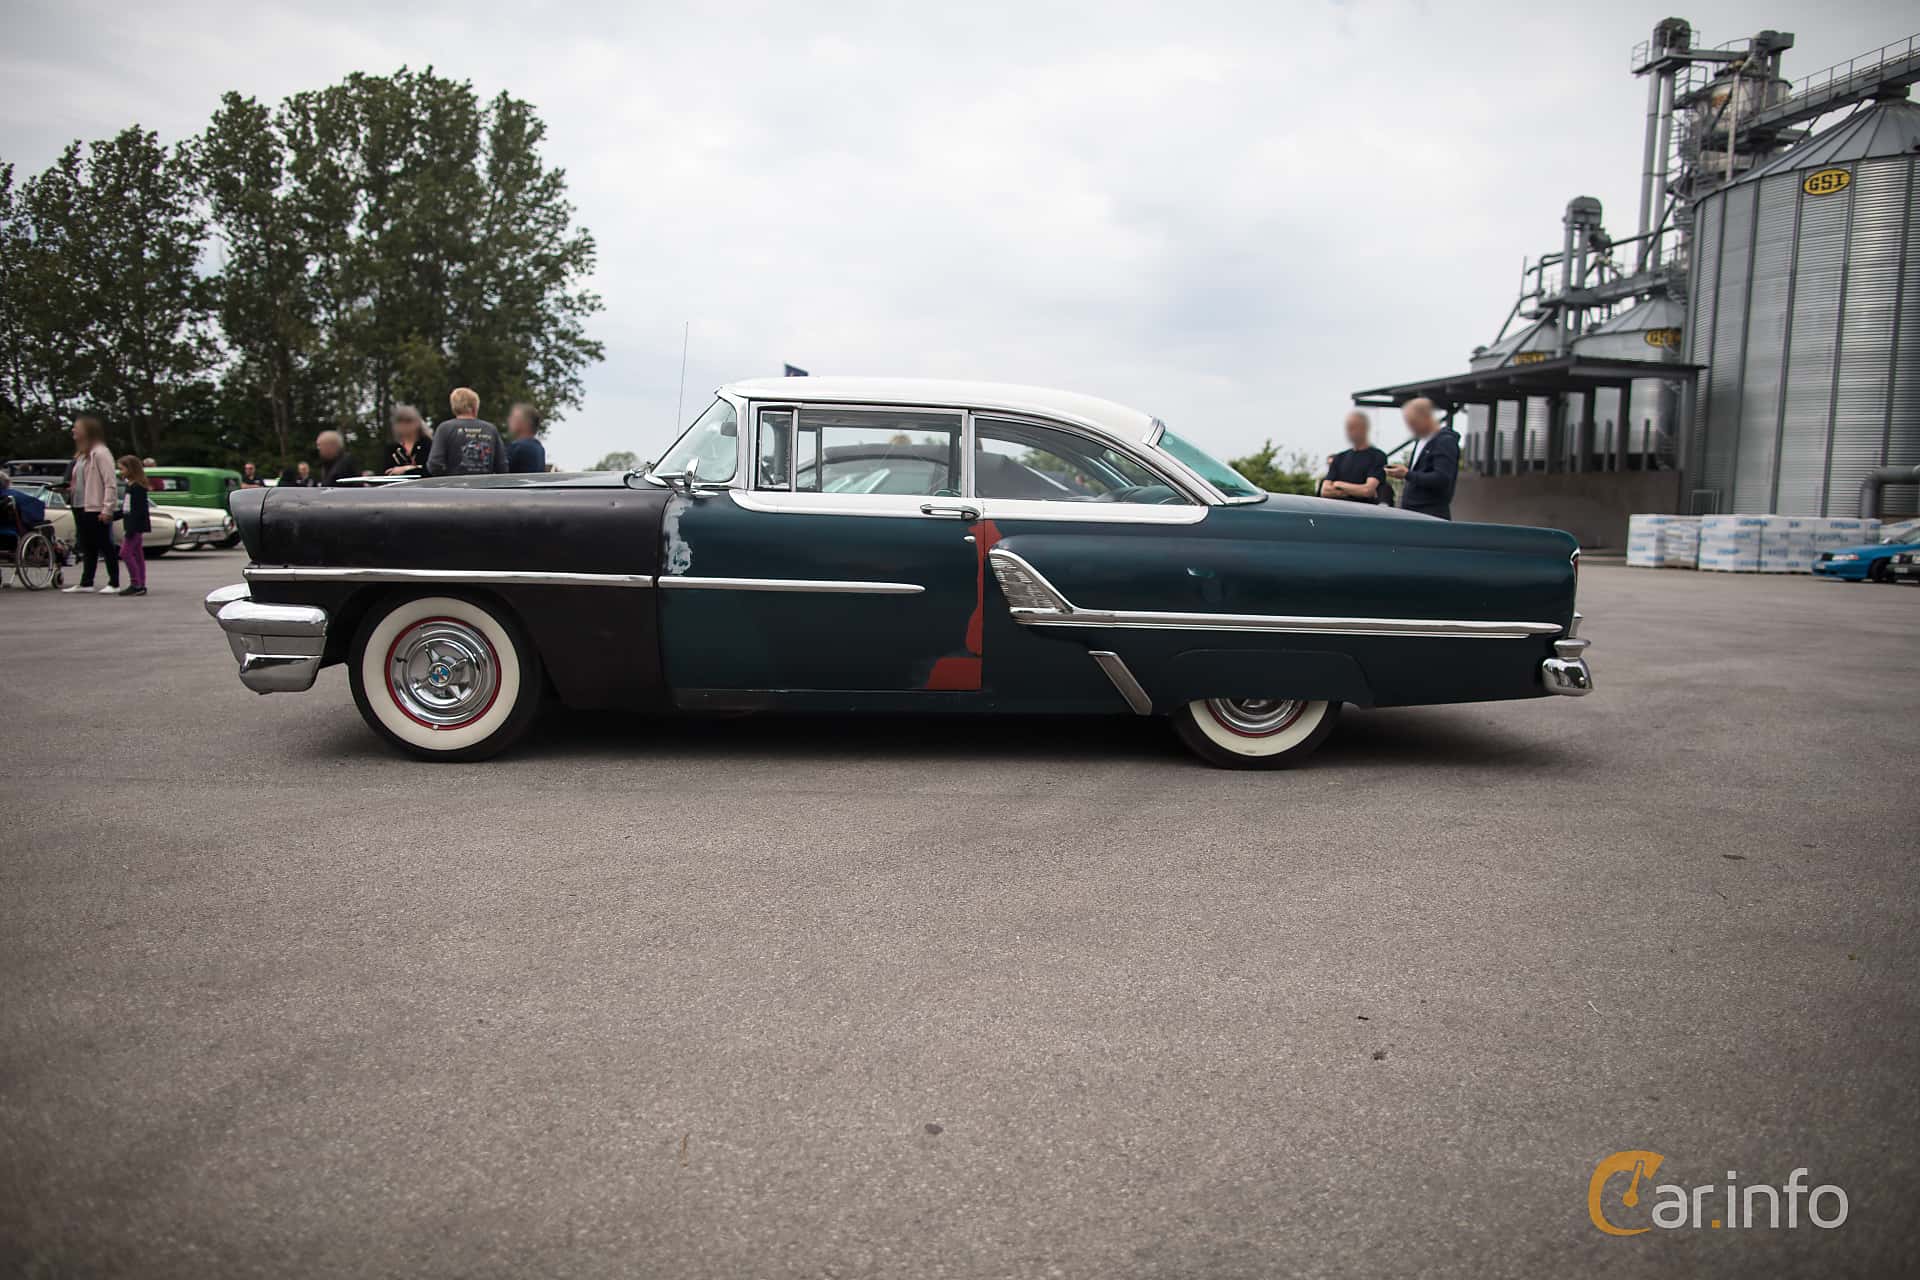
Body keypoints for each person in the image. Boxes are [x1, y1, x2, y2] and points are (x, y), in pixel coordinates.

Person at [62, 414, 121, 593]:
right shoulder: (82, 455)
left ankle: (114, 582)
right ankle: (86, 582)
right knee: (87, 545)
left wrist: (107, 508)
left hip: (95, 507)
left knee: (105, 544)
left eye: (76, 428)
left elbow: (110, 482)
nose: (73, 430)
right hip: (80, 505)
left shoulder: (101, 453)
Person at [1386, 398, 1461, 520]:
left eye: (1413, 422)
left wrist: (1407, 474)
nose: (1410, 427)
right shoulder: (1421, 441)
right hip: (1412, 512)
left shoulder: (1444, 441)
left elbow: (1442, 478)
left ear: (1425, 417)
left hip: (1430, 515)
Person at [428, 387, 507, 476]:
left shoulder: (444, 428)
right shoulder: (490, 429)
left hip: (454, 487)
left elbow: (434, 464)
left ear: (454, 407)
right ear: (475, 406)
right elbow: (502, 466)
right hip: (484, 487)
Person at [1320, 410, 1391, 505]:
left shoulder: (1377, 456)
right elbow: (1325, 491)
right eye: (1348, 428)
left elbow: (1368, 490)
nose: (1349, 432)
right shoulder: (1340, 457)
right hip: (1339, 511)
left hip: (1364, 513)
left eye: (1353, 427)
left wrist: (1339, 484)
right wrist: (1354, 491)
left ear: (1364, 428)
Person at [116, 455, 151, 597]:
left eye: (122, 468)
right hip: (133, 525)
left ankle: (136, 583)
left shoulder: (137, 488)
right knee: (137, 555)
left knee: (125, 553)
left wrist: (132, 528)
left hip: (135, 527)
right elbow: (127, 508)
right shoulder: (131, 486)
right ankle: (141, 583)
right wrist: (114, 516)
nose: (121, 472)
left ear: (131, 469)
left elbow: (138, 510)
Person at [385, 406, 432, 476]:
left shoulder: (427, 444)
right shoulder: (392, 448)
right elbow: (388, 471)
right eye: (399, 421)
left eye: (408, 421)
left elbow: (430, 469)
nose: (403, 425)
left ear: (418, 423)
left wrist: (406, 469)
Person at [506, 402, 546, 473]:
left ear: (524, 423)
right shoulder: (539, 448)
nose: (509, 420)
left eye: (513, 418)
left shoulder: (518, 447)